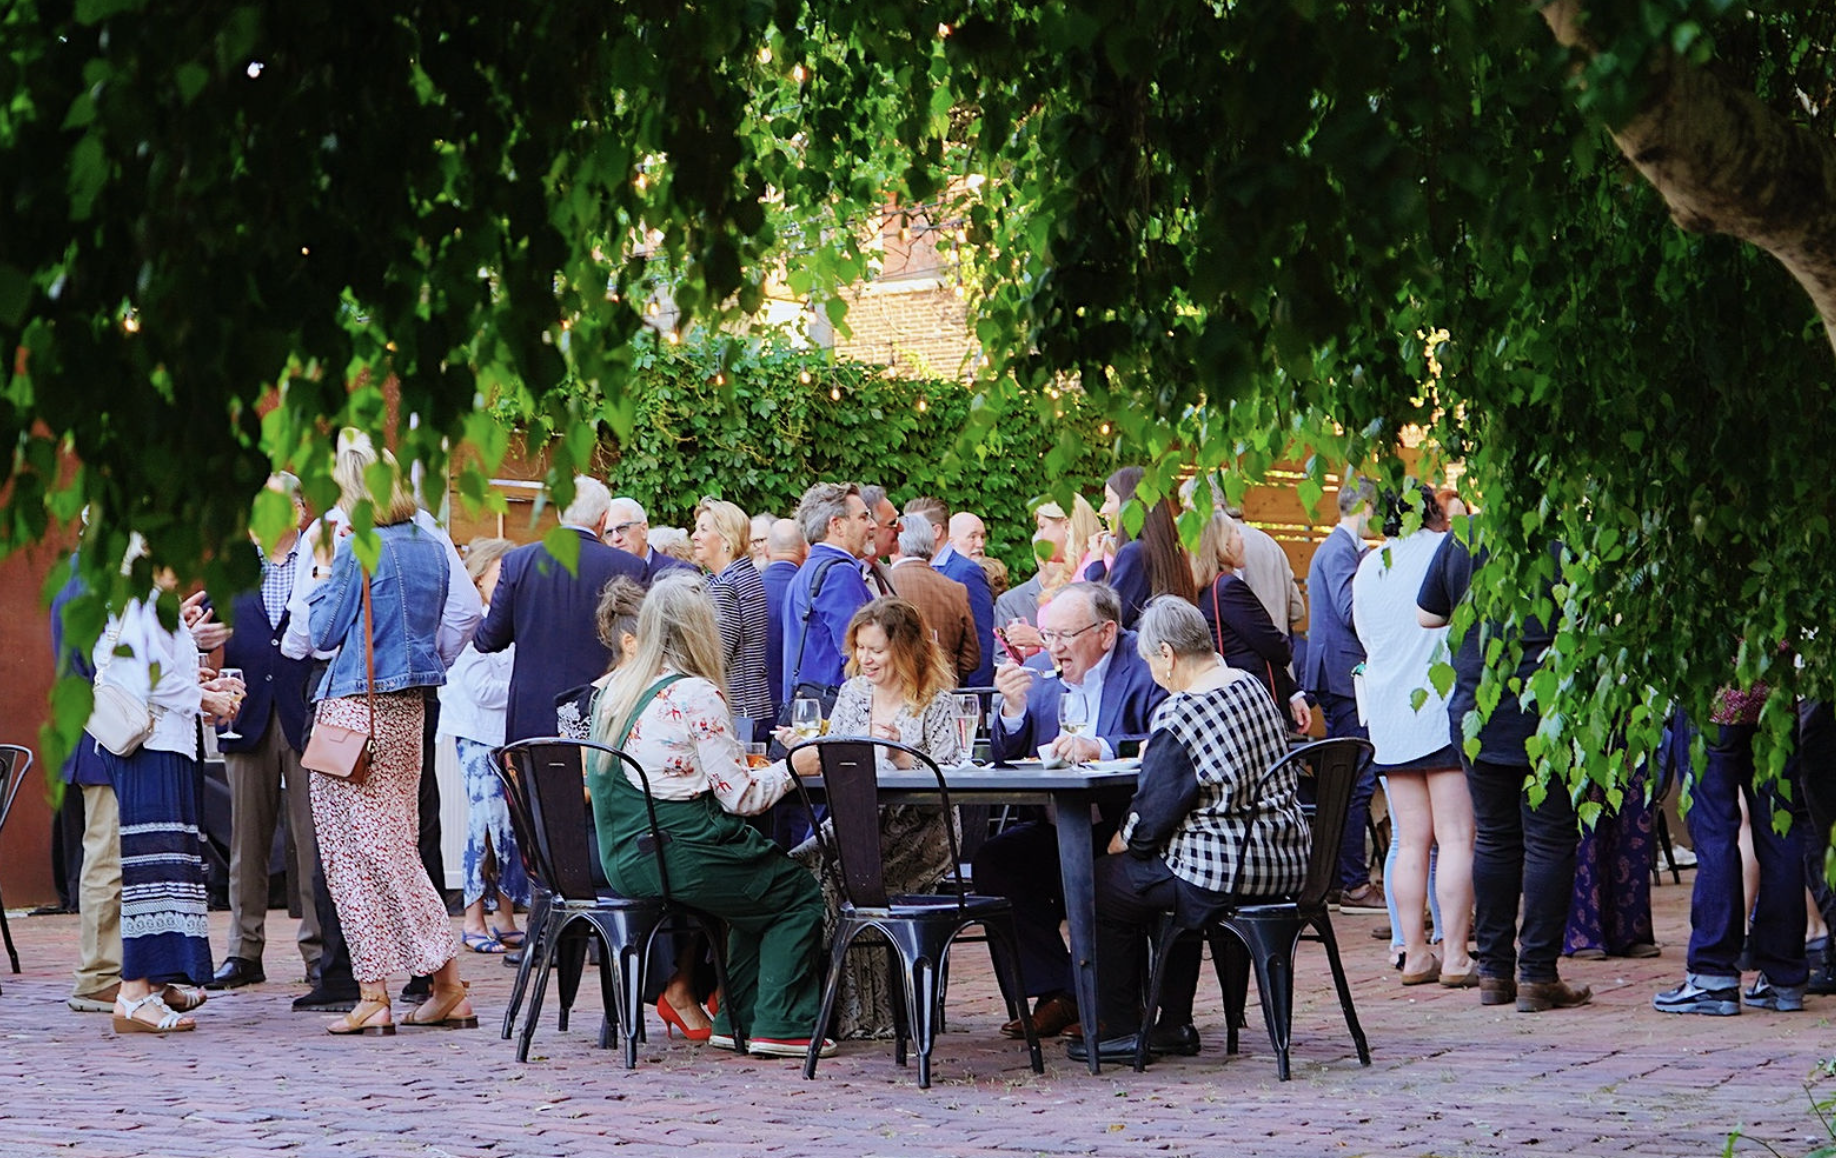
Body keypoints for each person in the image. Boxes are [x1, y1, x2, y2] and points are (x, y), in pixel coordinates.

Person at [588, 575, 831, 1058]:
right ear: (703, 630)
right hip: (677, 849)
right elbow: (741, 799)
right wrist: (793, 768)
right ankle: (783, 1026)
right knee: (797, 894)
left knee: (752, 895)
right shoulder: (696, 695)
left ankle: (735, 1020)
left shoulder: (617, 689)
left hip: (623, 853)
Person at [1075, 597, 1310, 1062]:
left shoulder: (1182, 710)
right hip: (1284, 859)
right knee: (1154, 878)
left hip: (1221, 873)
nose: (1153, 674)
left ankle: (1122, 1028)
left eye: (1150, 662)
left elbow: (1152, 818)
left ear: (1168, 654)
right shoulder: (1249, 685)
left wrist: (1120, 839)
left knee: (1103, 883)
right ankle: (1172, 1021)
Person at [304, 433, 475, 1035]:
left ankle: (428, 983)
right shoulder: (431, 547)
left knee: (359, 855)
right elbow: (458, 621)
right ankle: (399, 988)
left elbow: (321, 632)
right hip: (410, 708)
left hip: (354, 710)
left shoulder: (358, 548)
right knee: (395, 840)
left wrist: (326, 568)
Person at [971, 582, 1168, 1039]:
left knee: (1100, 873)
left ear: (1106, 632)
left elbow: (1161, 740)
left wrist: (1099, 747)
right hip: (1055, 824)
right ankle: (1060, 992)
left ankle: (1105, 1002)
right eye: (1047, 635)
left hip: (1122, 827)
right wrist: (1013, 710)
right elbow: (1006, 753)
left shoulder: (1144, 670)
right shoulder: (1038, 673)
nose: (1053, 648)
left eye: (1065, 636)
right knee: (996, 863)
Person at [1419, 530, 1594, 1011]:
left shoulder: (1463, 539)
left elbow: (1427, 614)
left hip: (1478, 704)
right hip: (1550, 709)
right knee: (1550, 838)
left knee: (1494, 836)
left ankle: (1495, 972)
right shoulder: (1566, 540)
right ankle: (1538, 973)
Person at [781, 597, 966, 1038]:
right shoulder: (853, 694)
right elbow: (839, 763)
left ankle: (864, 1016)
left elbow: (952, 776)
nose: (865, 659)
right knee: (796, 871)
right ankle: (811, 1009)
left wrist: (903, 758)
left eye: (876, 650)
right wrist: (807, 751)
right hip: (857, 823)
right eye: (860, 648)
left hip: (921, 831)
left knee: (839, 878)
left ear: (904, 650)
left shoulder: (935, 700)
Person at [95, 566, 244, 1032]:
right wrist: (206, 697)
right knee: (153, 866)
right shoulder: (138, 599)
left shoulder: (153, 603)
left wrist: (196, 677)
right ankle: (134, 993)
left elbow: (157, 667)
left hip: (168, 743)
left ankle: (157, 981)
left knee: (173, 864)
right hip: (151, 747)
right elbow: (146, 677)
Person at [1353, 487, 1474, 988]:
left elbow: (1364, 635)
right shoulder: (1447, 549)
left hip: (1389, 715)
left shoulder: (1367, 568)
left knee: (1410, 842)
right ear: (1433, 511)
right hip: (1438, 708)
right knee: (1456, 837)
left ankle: (1416, 953)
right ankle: (1458, 956)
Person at [207, 473, 322, 993]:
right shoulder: (230, 573)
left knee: (313, 841)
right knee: (246, 842)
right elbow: (203, 637)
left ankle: (320, 952)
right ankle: (243, 951)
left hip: (305, 714)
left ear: (300, 511)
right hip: (245, 712)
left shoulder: (321, 563)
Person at [1654, 687, 1808, 1016]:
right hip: (1775, 704)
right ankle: (1784, 977)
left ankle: (1712, 975)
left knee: (1715, 835)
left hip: (1711, 698)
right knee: (1781, 834)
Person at [472, 476, 647, 744]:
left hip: (532, 712)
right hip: (601, 707)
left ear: (559, 512)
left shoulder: (518, 562)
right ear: (603, 519)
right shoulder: (628, 566)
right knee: (594, 785)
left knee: (533, 784)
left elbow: (488, 640)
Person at [439, 537, 528, 956]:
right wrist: (526, 687)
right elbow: (480, 690)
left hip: (509, 737)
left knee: (511, 826)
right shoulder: (475, 624)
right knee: (485, 824)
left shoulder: (518, 621)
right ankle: (473, 917)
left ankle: (505, 916)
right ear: (477, 580)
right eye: (500, 576)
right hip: (477, 736)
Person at [1302, 477, 1385, 914]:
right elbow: (1351, 610)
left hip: (1337, 677)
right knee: (1357, 781)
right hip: (1344, 679)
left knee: (1348, 780)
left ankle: (1339, 880)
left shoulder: (1337, 549)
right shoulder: (1340, 550)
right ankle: (1352, 883)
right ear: (1366, 506)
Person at [52, 551, 122, 1015]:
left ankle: (114, 972)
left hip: (99, 732)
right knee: (107, 858)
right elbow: (100, 662)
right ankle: (98, 975)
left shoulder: (80, 571)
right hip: (105, 734)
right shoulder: (92, 577)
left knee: (109, 856)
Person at [1191, 509, 1311, 732]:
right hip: (1253, 704)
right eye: (1235, 532)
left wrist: (1293, 692)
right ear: (1223, 544)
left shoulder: (1209, 589)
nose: (1242, 538)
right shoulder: (1228, 588)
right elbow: (1271, 644)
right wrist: (1286, 647)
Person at [781, 483, 875, 712]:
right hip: (837, 714)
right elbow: (859, 655)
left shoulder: (807, 571)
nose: (872, 525)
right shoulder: (839, 573)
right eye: (864, 517)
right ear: (837, 525)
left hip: (809, 712)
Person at [692, 496, 773, 732]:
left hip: (735, 710)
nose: (694, 536)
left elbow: (714, 656)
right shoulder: (743, 576)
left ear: (727, 539)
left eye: (703, 529)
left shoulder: (725, 587)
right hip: (749, 705)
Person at [905, 496, 995, 687]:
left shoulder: (966, 572)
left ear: (936, 531)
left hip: (959, 692)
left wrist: (976, 698)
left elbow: (982, 643)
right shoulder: (913, 570)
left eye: (912, 527)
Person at [885, 512, 979, 687]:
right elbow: (970, 658)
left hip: (895, 691)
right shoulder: (956, 589)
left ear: (896, 543)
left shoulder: (882, 585)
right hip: (944, 690)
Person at [1097, 466, 1196, 628]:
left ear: (1130, 505)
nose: (1103, 510)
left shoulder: (1134, 554)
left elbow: (1106, 622)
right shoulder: (1168, 552)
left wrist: (1095, 566)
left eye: (1108, 500)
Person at [759, 518, 806, 712]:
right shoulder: (810, 590)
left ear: (767, 550)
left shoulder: (749, 590)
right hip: (800, 704)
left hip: (758, 703)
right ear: (804, 550)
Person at [607, 496, 697, 582]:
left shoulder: (681, 573)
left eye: (623, 529)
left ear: (643, 529)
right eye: (609, 533)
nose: (616, 538)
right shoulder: (604, 578)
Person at [857, 484, 900, 597]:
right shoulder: (848, 578)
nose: (901, 529)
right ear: (869, 527)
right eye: (892, 523)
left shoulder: (880, 570)